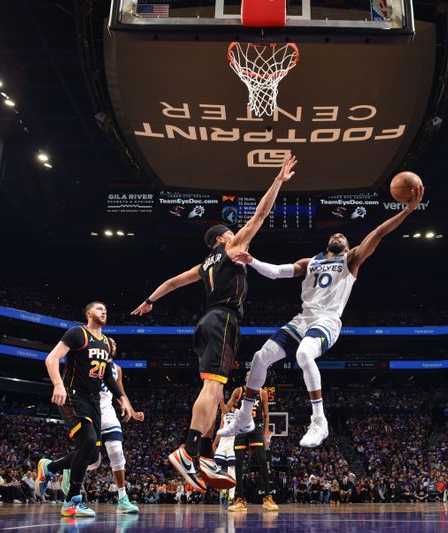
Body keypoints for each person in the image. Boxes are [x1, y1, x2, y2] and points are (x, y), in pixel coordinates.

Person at [131, 155, 297, 492]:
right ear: (223, 238)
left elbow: (173, 282)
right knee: (212, 388)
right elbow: (261, 215)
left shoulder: (203, 264)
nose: (239, 234)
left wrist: (150, 300)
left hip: (207, 321)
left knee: (216, 386)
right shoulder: (232, 247)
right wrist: (278, 180)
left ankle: (205, 455)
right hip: (223, 318)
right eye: (233, 232)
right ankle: (188, 450)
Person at [219, 180, 424, 448]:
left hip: (327, 320)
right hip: (302, 319)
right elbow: (277, 272)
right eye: (335, 235)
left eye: (343, 237)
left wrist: (407, 211)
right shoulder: (310, 262)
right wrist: (252, 261)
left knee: (304, 354)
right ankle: (245, 416)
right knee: (259, 358)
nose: (338, 236)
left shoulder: (351, 260)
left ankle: (319, 421)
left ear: (348, 246)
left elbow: (378, 232)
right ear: (327, 243)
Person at [36, 301, 136, 518]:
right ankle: (72, 501)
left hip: (94, 402)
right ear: (88, 313)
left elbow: (108, 376)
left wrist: (122, 399)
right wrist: (58, 384)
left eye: (106, 310)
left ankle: (50, 468)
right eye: (99, 309)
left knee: (91, 456)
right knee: (89, 442)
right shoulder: (77, 333)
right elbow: (52, 358)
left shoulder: (108, 344)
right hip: (74, 395)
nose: (104, 312)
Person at [60, 362, 143, 513]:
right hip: (91, 412)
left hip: (108, 414)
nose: (112, 345)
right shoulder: (90, 361)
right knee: (94, 462)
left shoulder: (117, 369)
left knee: (117, 452)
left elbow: (120, 393)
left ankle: (123, 498)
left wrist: (133, 412)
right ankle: (70, 467)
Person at [225, 386, 277, 511]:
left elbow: (266, 415)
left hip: (256, 427)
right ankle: (240, 499)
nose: (250, 377)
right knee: (238, 462)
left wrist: (265, 433)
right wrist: (234, 410)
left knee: (263, 460)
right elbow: (227, 407)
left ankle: (267, 497)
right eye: (248, 376)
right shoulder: (238, 391)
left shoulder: (262, 393)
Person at [213, 400, 237, 502]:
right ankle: (223, 487)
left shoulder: (240, 414)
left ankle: (231, 494)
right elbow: (220, 428)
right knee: (217, 466)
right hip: (223, 441)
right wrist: (214, 443)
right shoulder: (224, 414)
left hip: (232, 442)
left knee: (231, 468)